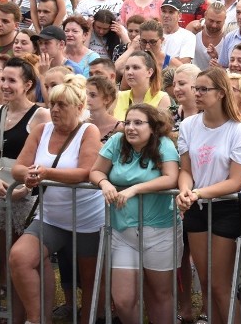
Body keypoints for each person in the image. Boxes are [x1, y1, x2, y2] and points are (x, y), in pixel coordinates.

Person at [8, 75, 103, 324]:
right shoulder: (42, 129)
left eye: (62, 105)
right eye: (52, 104)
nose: (55, 110)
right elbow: (19, 167)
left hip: (87, 219)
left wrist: (46, 173)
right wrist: (29, 175)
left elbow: (85, 171)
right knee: (19, 257)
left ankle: (88, 319)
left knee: (90, 277)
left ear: (79, 108)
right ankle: (38, 318)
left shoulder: (88, 130)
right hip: (50, 216)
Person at [176, 67, 241, 324]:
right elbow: (185, 170)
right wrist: (186, 189)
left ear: (221, 93)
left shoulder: (239, 130)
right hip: (197, 207)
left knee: (222, 284)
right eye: (195, 88)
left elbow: (234, 181)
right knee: (207, 281)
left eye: (203, 89)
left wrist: (197, 192)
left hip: (227, 208)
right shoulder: (188, 125)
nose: (196, 93)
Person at [89, 104, 180, 324]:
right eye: (128, 122)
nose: (130, 127)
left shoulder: (164, 144)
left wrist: (135, 189)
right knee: (122, 300)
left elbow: (170, 178)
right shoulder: (116, 142)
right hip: (122, 232)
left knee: (159, 295)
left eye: (138, 123)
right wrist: (104, 183)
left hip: (160, 231)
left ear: (153, 127)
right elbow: (95, 170)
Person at [0, 58, 50, 234]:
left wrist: (25, 188)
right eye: (3, 79)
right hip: (0, 194)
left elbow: (47, 156)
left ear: (28, 85)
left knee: (24, 257)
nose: (5, 85)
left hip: (25, 197)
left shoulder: (41, 115)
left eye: (12, 80)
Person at [114, 50, 172, 119]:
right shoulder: (118, 96)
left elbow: (162, 128)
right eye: (127, 68)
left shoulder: (162, 98)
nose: (129, 72)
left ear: (149, 72)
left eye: (135, 67)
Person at [86, 75, 122, 142]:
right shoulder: (80, 124)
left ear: (107, 99)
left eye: (93, 95)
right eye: (85, 94)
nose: (87, 99)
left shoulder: (119, 128)